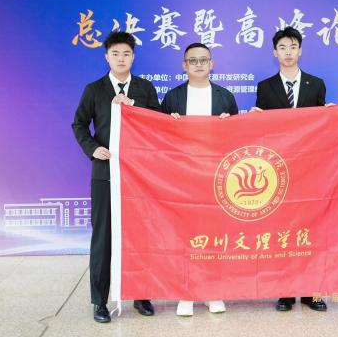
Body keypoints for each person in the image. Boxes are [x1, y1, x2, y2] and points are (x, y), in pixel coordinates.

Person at [72, 31, 160, 322]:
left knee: (141, 235)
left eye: (126, 54)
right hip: (106, 173)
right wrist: (93, 148)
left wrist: (133, 106)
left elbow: (158, 123)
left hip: (139, 174)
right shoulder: (94, 89)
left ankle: (142, 296)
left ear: (133, 57)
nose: (121, 59)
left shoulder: (145, 88)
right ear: (106, 57)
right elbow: (79, 124)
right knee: (103, 238)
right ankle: (100, 301)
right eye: (115, 54)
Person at [252, 26, 328, 312]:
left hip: (310, 169)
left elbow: (323, 125)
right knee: (282, 229)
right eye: (282, 47)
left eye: (293, 47)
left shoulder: (316, 84)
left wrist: (331, 114)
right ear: (275, 52)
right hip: (278, 170)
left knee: (311, 228)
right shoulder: (265, 87)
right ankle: (284, 290)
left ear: (300, 50)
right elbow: (261, 130)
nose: (288, 52)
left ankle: (310, 291)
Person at [161, 42, 238, 316]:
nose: (198, 64)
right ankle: (186, 293)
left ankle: (212, 291)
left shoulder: (225, 97)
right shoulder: (173, 97)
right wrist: (168, 124)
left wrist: (229, 125)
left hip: (215, 176)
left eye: (203, 60)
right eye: (192, 60)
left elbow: (239, 138)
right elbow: (158, 138)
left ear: (211, 64)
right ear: (184, 65)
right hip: (182, 177)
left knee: (214, 234)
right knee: (184, 234)